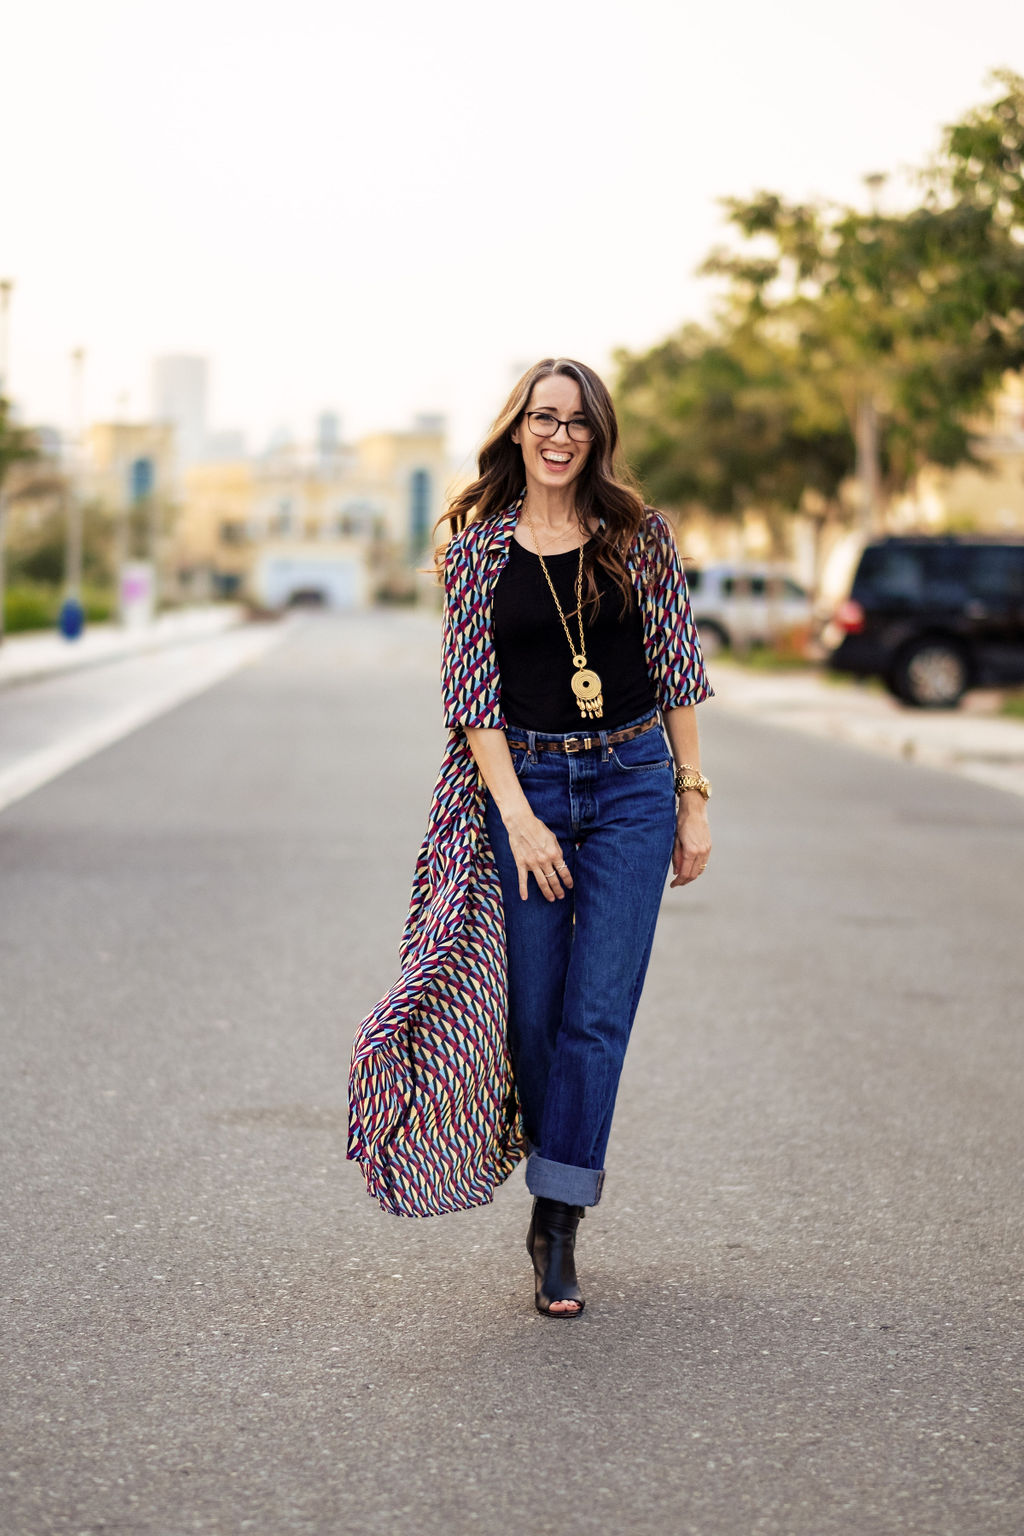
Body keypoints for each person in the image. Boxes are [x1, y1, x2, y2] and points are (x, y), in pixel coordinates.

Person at [347, 357, 712, 1319]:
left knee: (599, 1012)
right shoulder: (476, 552)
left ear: (598, 438)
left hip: (633, 781)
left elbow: (676, 668)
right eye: (543, 419)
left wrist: (694, 796)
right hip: (529, 786)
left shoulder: (640, 538)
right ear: (517, 430)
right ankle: (556, 1179)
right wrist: (519, 817)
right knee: (535, 1015)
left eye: (578, 423)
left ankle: (558, 1219)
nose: (559, 437)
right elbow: (472, 699)